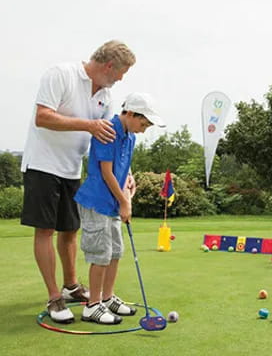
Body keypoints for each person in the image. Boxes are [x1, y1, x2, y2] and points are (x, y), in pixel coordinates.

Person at [20, 40, 136, 323]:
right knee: (45, 230)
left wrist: (126, 172)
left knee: (70, 230)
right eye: (121, 72)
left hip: (72, 168)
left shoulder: (106, 96)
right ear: (109, 66)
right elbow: (42, 117)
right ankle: (53, 297)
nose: (121, 78)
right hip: (42, 164)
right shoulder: (61, 74)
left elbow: (110, 138)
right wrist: (87, 125)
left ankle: (70, 286)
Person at [74, 92, 165, 324]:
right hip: (97, 201)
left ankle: (107, 297)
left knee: (115, 251)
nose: (143, 130)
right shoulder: (108, 130)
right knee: (101, 254)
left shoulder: (130, 136)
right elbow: (106, 171)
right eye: (143, 124)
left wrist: (129, 180)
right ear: (131, 114)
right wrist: (124, 202)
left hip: (113, 202)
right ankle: (92, 305)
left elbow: (122, 164)